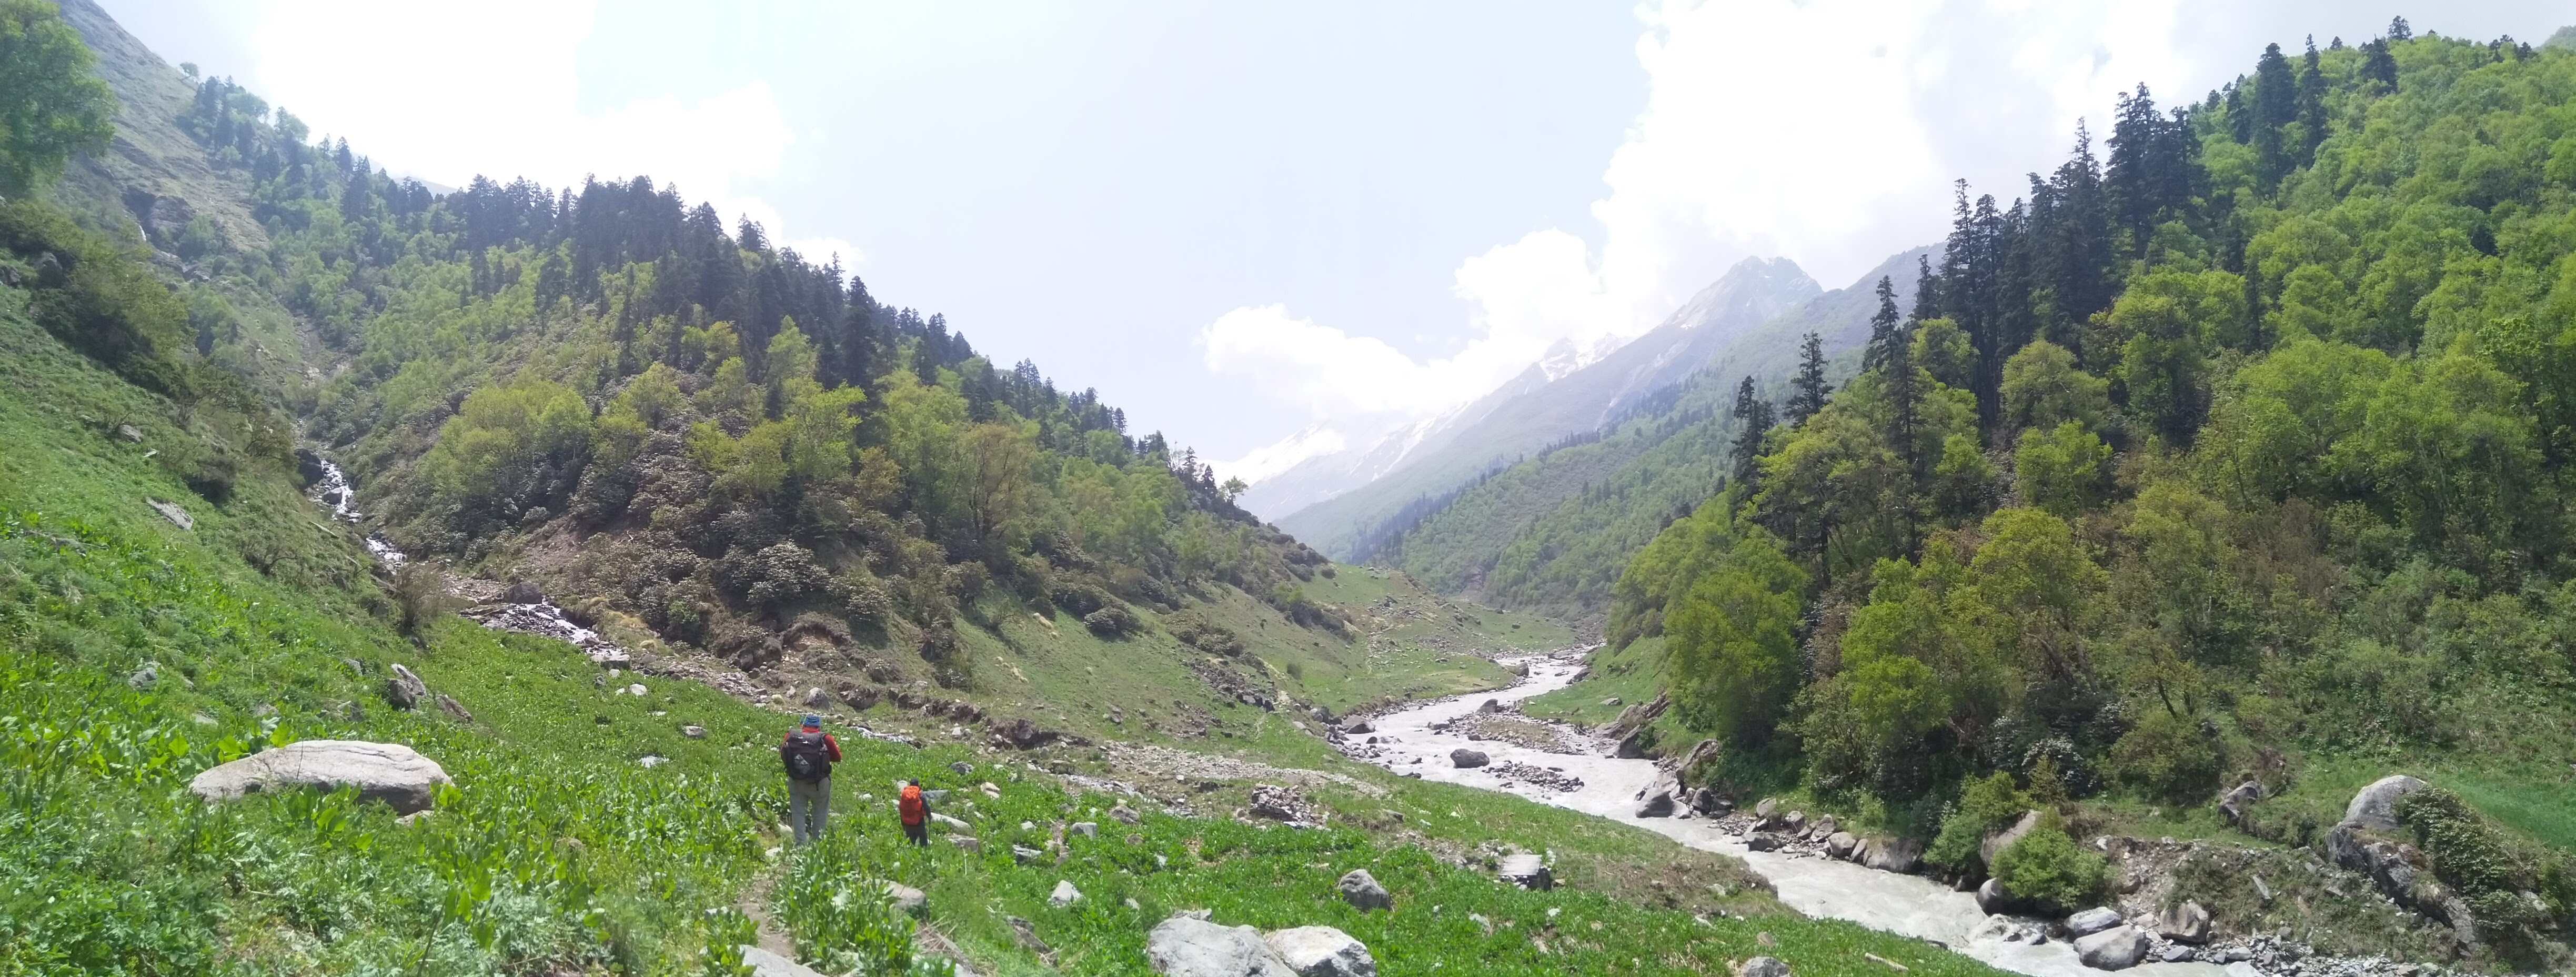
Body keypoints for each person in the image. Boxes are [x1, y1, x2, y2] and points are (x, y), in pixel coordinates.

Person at [780, 714, 840, 845]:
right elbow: (838, 757)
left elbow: (783, 754)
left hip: (796, 781)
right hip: (819, 783)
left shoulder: (791, 735)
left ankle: (800, 846)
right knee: (820, 812)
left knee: (798, 813)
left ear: (803, 725)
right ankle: (817, 845)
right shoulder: (825, 738)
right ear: (819, 726)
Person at [898, 778, 930, 847]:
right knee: (924, 841)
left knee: (910, 842)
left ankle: (910, 855)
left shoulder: (905, 793)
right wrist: (929, 816)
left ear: (910, 784)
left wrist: (903, 822)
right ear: (918, 784)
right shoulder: (920, 793)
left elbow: (901, 807)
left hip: (907, 821)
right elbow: (927, 807)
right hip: (919, 820)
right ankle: (924, 854)